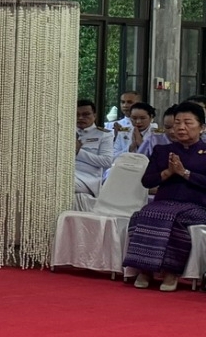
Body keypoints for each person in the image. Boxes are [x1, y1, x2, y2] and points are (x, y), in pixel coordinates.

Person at [125, 101, 206, 290]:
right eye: (177, 123)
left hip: (197, 205)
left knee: (172, 217)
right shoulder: (162, 151)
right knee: (143, 214)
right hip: (165, 201)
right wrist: (168, 172)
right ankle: (144, 269)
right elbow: (147, 181)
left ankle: (171, 272)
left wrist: (185, 173)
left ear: (201, 127)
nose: (181, 127)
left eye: (188, 122)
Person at [74, 99, 116, 199]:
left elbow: (107, 161)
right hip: (66, 174)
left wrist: (78, 152)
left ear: (94, 116)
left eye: (86, 114)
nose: (80, 118)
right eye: (77, 114)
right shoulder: (65, 132)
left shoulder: (104, 135)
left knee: (61, 184)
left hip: (88, 179)